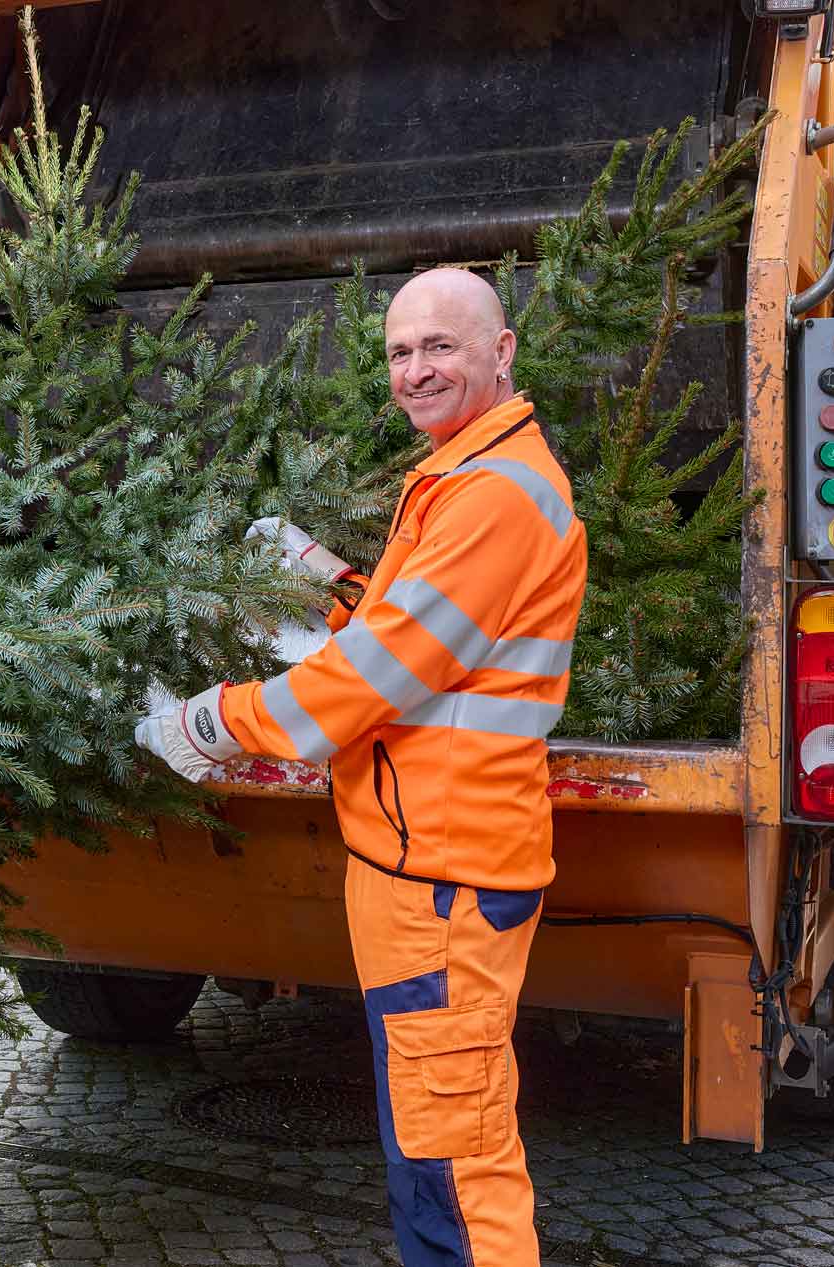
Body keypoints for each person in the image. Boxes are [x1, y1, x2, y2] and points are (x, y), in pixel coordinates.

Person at [135, 269, 588, 1267]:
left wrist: (211, 722)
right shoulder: (465, 475)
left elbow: (368, 682)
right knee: (430, 1150)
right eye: (399, 352)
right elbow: (409, 630)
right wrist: (322, 577)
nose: (416, 370)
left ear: (501, 351)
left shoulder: (494, 497)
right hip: (419, 862)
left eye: (441, 347)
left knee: (453, 1167)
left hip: (445, 876)